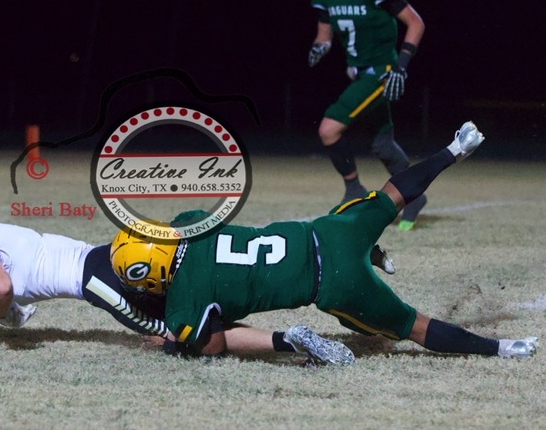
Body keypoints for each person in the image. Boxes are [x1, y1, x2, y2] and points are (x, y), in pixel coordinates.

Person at [111, 121, 539, 360]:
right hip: (328, 231)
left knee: (413, 327)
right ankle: (453, 148)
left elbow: (215, 344)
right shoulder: (190, 221)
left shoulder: (185, 298)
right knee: (392, 194)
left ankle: (501, 348)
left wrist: (174, 340)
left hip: (334, 282)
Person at [0, 194, 354, 365]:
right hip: (99, 260)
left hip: (95, 279)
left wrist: (7, 314)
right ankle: (287, 333)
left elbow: (0, 286)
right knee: (193, 304)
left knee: (185, 338)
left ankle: (289, 342)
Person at [307, 0, 427, 230]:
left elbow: (415, 23)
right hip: (357, 72)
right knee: (383, 144)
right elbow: (325, 34)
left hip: (381, 71)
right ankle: (414, 196)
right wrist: (319, 48)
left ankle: (353, 189)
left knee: (328, 129)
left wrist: (401, 64)